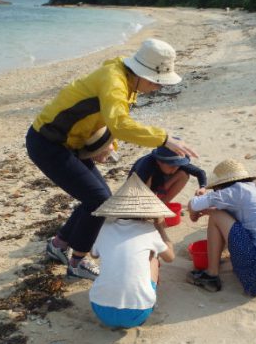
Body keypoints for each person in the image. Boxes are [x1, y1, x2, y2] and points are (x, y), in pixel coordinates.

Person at [25, 38, 197, 280]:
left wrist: (107, 145)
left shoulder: (128, 80)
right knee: (98, 199)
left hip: (72, 144)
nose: (158, 88)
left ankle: (59, 244)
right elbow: (120, 122)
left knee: (96, 197)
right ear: (142, 73)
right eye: (157, 83)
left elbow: (110, 120)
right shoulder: (114, 81)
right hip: (47, 143)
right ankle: (77, 263)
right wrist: (164, 139)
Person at [186, 159, 256, 296]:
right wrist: (205, 208)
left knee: (216, 215)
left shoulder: (233, 191)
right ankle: (217, 264)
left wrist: (197, 210)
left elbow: (193, 205)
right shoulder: (254, 190)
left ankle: (211, 275)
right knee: (220, 215)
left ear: (221, 186)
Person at [89, 173, 175, 328]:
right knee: (153, 258)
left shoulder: (106, 228)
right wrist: (160, 228)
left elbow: (93, 254)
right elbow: (170, 257)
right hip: (137, 314)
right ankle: (145, 293)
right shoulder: (149, 230)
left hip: (100, 310)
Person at [130, 145, 207, 202]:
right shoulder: (146, 165)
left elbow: (200, 172)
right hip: (138, 189)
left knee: (184, 175)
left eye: (177, 165)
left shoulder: (177, 162)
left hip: (160, 186)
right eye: (172, 166)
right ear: (159, 161)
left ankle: (162, 205)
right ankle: (151, 208)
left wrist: (202, 187)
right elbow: (135, 190)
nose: (175, 169)